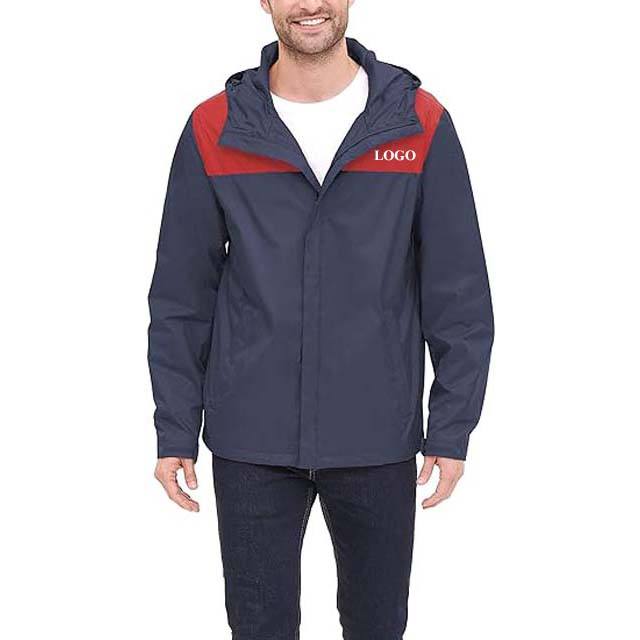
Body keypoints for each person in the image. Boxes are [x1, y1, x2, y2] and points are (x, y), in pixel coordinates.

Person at [147, 1, 494, 637]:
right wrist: (175, 429)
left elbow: (460, 293)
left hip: (377, 435)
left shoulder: (418, 123)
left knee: (377, 626)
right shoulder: (215, 127)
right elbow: (181, 297)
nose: (310, 4)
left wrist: (451, 430)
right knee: (258, 628)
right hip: (251, 438)